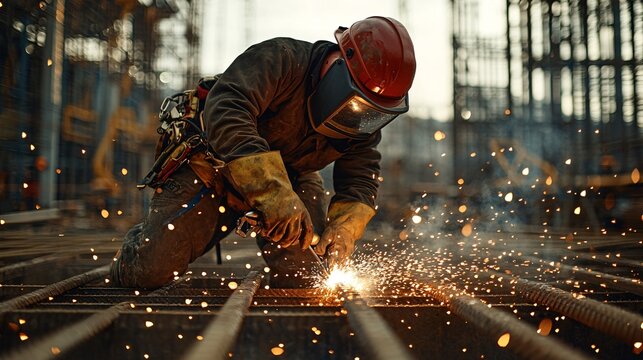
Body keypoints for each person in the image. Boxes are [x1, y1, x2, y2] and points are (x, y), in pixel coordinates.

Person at [110, 16, 416, 288]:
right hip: (210, 169)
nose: (362, 116)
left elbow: (360, 177)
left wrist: (345, 228)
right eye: (360, 104)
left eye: (373, 112)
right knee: (150, 270)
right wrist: (272, 193)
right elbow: (228, 109)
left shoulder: (364, 119)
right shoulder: (281, 59)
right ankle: (136, 250)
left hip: (291, 182)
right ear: (339, 65)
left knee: (310, 276)